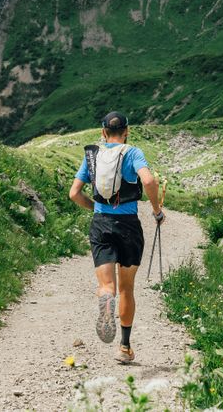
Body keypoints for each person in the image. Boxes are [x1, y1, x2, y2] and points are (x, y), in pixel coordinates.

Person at [69, 111, 164, 364]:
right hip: (129, 227)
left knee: (108, 286)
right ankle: (124, 347)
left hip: (101, 224)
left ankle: (105, 299)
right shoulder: (133, 153)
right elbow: (149, 181)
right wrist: (156, 211)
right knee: (127, 288)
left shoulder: (93, 155)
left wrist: (96, 209)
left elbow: (74, 193)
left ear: (103, 133)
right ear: (126, 132)